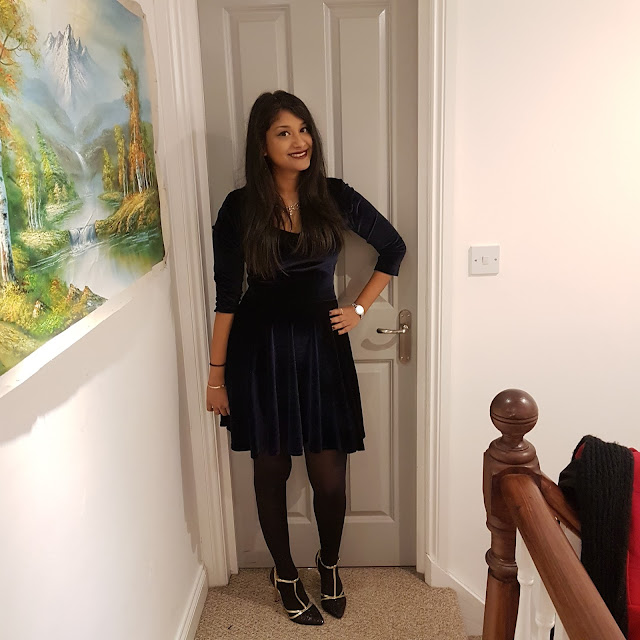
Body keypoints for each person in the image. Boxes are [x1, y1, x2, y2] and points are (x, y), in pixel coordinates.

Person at [206, 90, 406, 626]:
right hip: (261, 350)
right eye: (283, 132)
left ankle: (329, 563)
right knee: (270, 467)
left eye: (303, 129)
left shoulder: (333, 196)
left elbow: (393, 248)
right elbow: (227, 297)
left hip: (321, 348)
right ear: (262, 145)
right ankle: (284, 573)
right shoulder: (238, 208)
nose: (299, 142)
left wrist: (358, 308)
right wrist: (215, 377)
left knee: (329, 473)